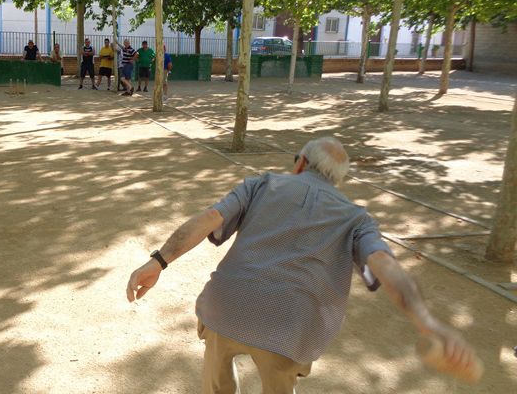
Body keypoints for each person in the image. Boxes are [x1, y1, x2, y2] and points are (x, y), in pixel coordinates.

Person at [126, 137, 478, 394]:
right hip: (290, 326)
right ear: (337, 180)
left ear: (299, 163)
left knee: (217, 377)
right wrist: (427, 322)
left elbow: (209, 218)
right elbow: (383, 262)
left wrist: (158, 261)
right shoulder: (357, 218)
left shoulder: (261, 184)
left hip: (225, 306)